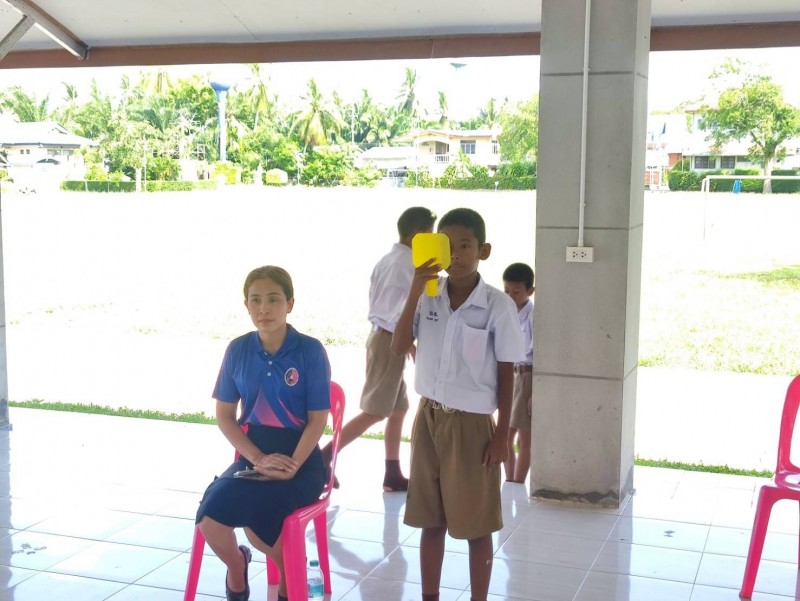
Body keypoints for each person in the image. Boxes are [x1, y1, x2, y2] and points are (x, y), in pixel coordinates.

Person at [391, 208, 524, 601]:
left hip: (472, 426)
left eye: (465, 245)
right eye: (447, 245)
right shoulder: (428, 297)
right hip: (429, 417)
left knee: (476, 524)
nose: (456, 254)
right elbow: (399, 346)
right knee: (429, 520)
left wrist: (502, 437)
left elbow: (507, 373)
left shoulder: (497, 305)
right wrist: (416, 289)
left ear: (483, 250)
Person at [196, 265, 331, 601]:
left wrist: (292, 465)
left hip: (301, 460)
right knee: (210, 516)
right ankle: (237, 568)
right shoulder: (238, 350)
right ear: (246, 306)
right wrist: (257, 459)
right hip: (253, 456)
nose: (264, 308)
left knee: (260, 523)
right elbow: (225, 416)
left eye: (273, 299)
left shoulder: (310, 350)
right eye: (255, 300)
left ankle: (289, 583)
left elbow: (318, 420)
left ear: (290, 303)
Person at [322, 206, 437, 492]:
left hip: (386, 338)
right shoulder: (406, 264)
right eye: (430, 233)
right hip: (389, 340)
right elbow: (397, 309)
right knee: (374, 411)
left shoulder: (390, 259)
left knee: (398, 410)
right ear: (417, 234)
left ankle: (392, 473)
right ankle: (322, 457)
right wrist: (407, 341)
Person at [501, 262, 535, 484]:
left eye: (516, 291)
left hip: (527, 376)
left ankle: (518, 482)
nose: (510, 296)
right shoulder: (506, 312)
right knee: (505, 433)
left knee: (523, 437)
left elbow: (541, 354)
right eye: (506, 291)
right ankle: (509, 481)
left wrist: (535, 393)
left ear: (530, 291)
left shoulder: (533, 316)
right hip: (512, 374)